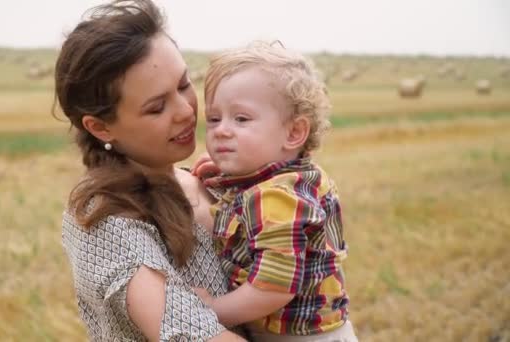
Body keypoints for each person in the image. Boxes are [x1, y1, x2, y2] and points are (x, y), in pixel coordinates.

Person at [54, 0, 245, 340]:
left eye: (184, 84)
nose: (186, 110)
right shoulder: (104, 222)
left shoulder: (211, 181)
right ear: (100, 127)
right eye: (157, 107)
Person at [193, 42, 358, 341]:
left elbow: (274, 288)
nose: (221, 130)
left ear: (294, 133)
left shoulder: (278, 198)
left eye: (241, 119)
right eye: (215, 118)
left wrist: (213, 309)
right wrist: (228, 174)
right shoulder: (292, 177)